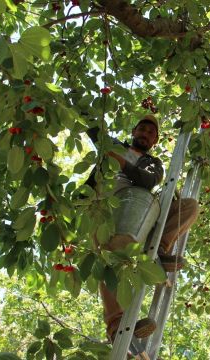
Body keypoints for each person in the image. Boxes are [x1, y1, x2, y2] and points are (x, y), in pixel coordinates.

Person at [84, 114, 199, 342]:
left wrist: (120, 161)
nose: (145, 134)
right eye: (142, 129)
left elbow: (148, 181)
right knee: (110, 256)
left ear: (154, 140)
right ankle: (117, 326)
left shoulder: (153, 164)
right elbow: (91, 126)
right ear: (134, 132)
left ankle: (160, 250)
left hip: (135, 211)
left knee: (189, 206)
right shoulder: (114, 145)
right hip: (102, 205)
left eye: (150, 133)